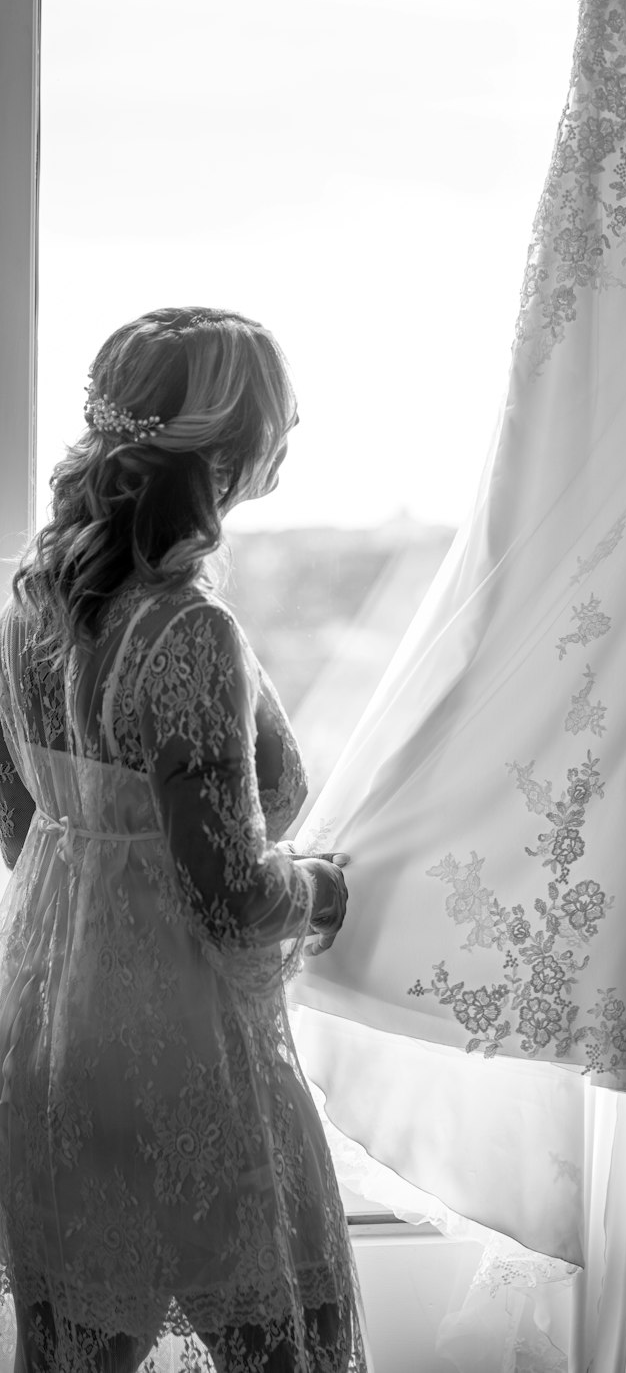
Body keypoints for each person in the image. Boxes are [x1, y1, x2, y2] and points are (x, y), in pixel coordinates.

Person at [0, 307, 367, 1372]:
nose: (291, 429)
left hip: (54, 1033)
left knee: (78, 1347)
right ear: (223, 443)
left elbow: (24, 830)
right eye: (276, 413)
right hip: (186, 1046)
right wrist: (324, 890)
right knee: (290, 1341)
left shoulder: (29, 609)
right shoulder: (186, 630)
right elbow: (230, 897)